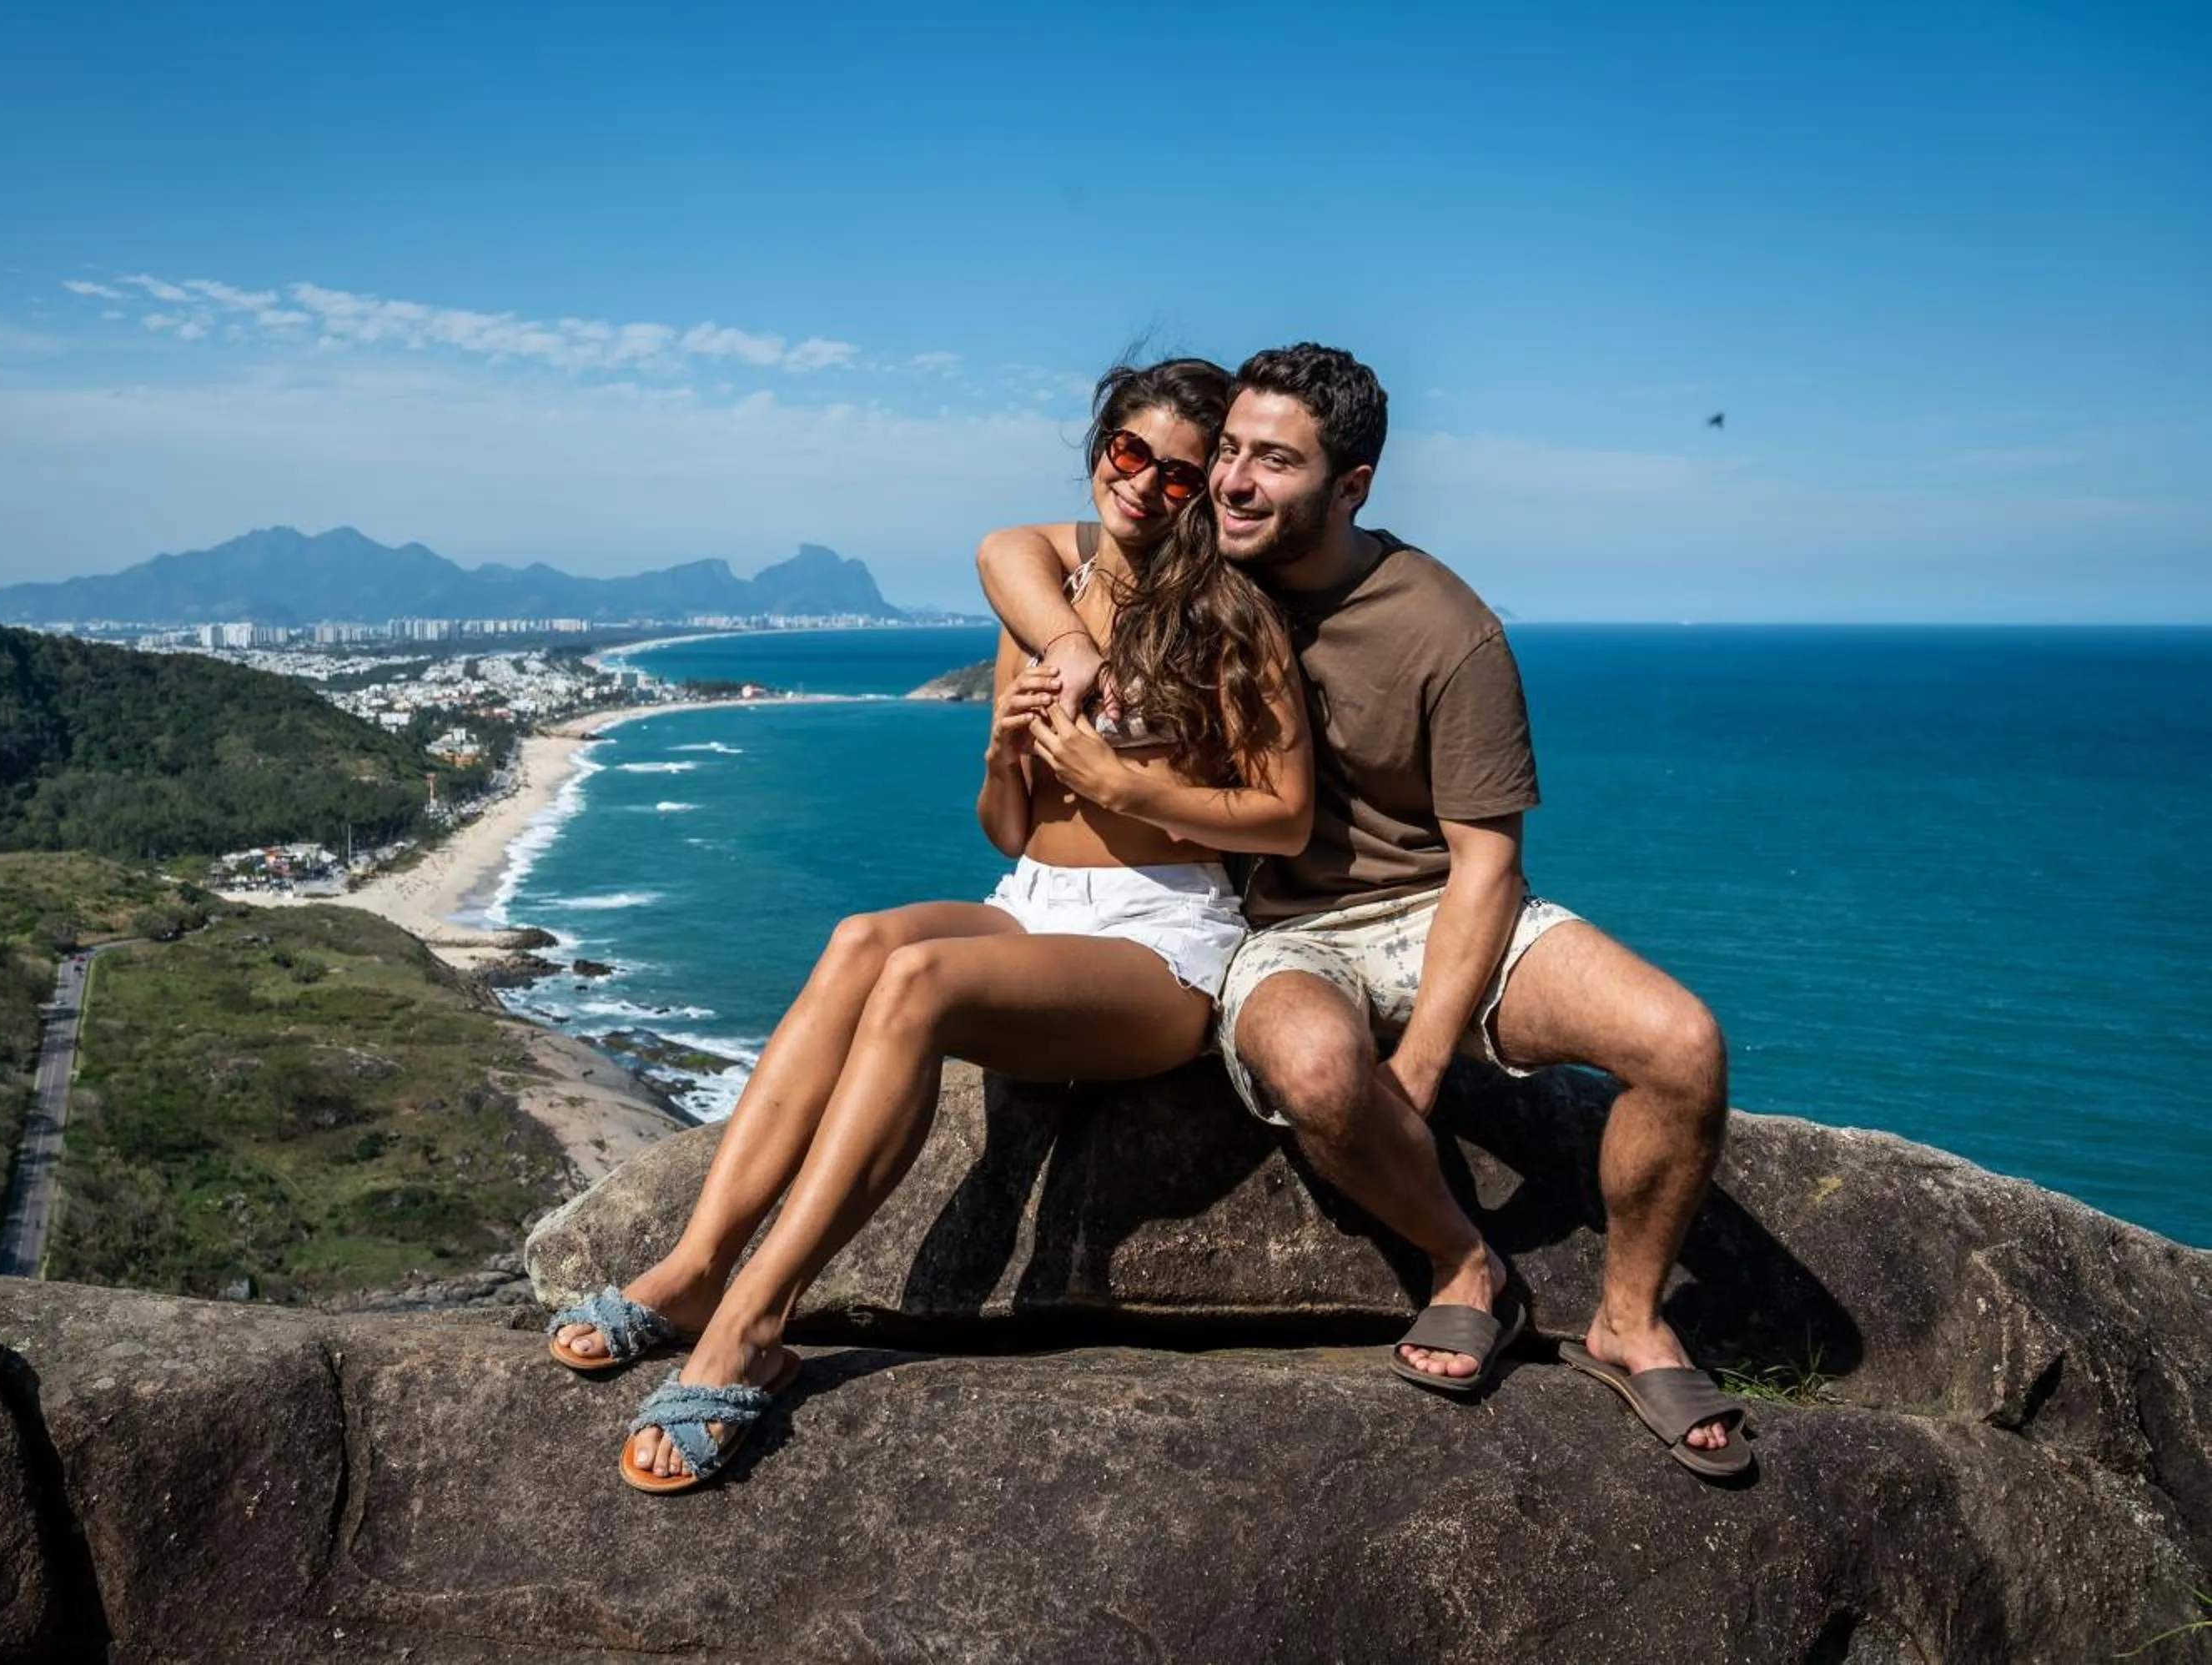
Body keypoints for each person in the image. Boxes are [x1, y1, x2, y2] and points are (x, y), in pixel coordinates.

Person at [978, 343, 1750, 1479]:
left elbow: (1488, 864)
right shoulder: (1198, 573)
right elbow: (1017, 549)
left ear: (1353, 486)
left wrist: (1429, 1057)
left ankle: (1629, 1320)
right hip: (1284, 933)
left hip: (1442, 907)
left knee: (1683, 1045)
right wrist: (1070, 648)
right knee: (1319, 1068)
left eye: (1273, 462)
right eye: (1228, 451)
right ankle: (1463, 1264)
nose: (1234, 482)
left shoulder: (1447, 627)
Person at [550, 356, 1315, 1494]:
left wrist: (1126, 783)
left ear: (1206, 497)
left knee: (917, 989)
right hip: (1036, 908)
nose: (1146, 486)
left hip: (1162, 940)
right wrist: (1009, 750)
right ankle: (699, 1264)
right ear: (1101, 444)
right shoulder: (1042, 605)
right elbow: (1009, 830)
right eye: (1129, 454)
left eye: (1179, 476)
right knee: (866, 940)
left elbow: (1289, 817)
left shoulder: (1232, 620)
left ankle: (755, 1323)